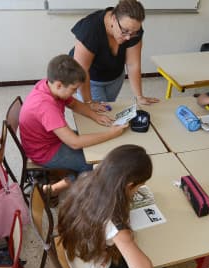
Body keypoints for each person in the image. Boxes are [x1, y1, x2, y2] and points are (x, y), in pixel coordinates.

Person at [19, 54, 128, 195]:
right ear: (59, 84)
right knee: (92, 163)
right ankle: (56, 189)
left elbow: (74, 103)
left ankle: (63, 181)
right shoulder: (46, 106)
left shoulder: (49, 85)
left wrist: (95, 115)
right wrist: (111, 133)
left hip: (50, 140)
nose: (75, 92)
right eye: (73, 89)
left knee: (93, 146)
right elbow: (74, 143)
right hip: (44, 152)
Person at [57, 145, 154, 268]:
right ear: (129, 185)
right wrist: (127, 239)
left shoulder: (86, 179)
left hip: (74, 250)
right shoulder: (116, 226)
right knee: (156, 264)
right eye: (139, 187)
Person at [69, 0, 159, 112]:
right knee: (99, 115)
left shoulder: (133, 29)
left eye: (133, 33)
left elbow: (133, 64)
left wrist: (139, 96)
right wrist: (89, 102)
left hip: (115, 77)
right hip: (90, 79)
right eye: (124, 31)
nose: (128, 38)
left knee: (109, 108)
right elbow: (82, 71)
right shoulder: (90, 29)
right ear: (114, 18)